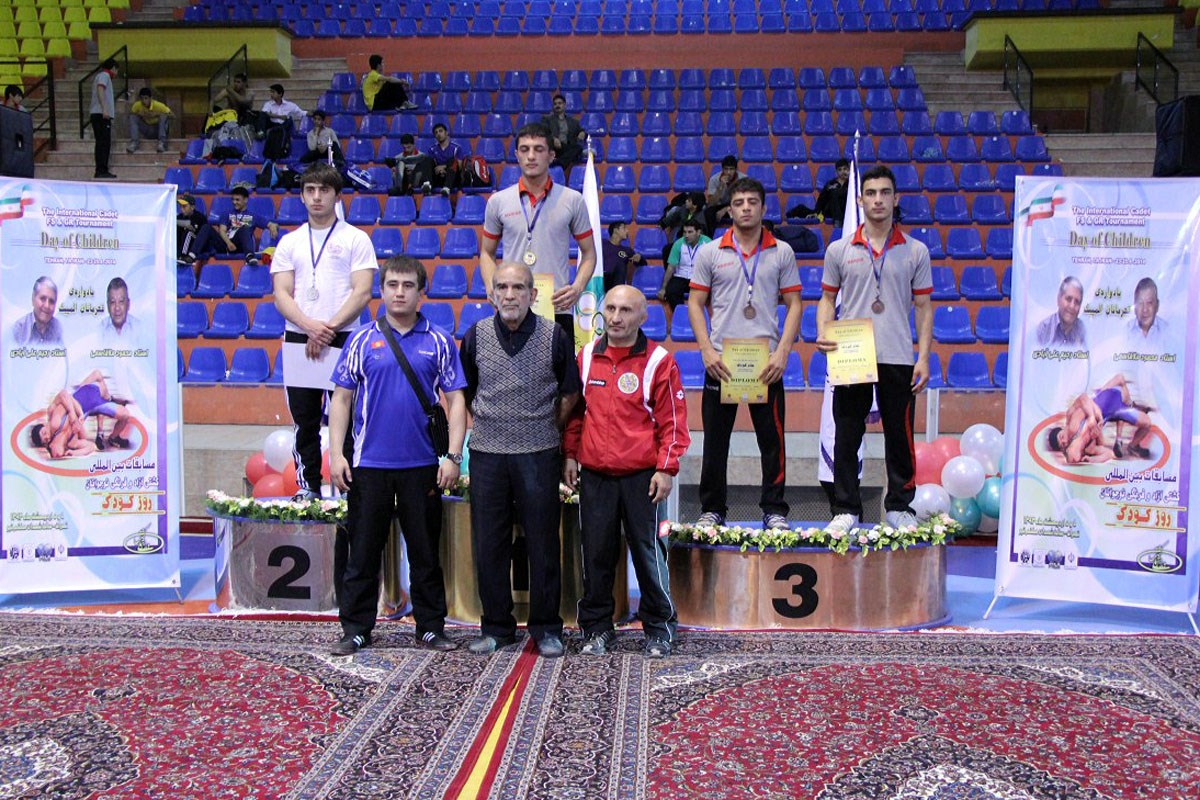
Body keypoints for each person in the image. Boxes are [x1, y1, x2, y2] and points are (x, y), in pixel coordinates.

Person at [327, 256, 466, 656]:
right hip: (368, 466)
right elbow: (341, 399)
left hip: (422, 467)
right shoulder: (360, 340)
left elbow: (456, 400)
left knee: (425, 553)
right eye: (392, 285)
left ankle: (430, 627)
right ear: (382, 290)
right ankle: (356, 628)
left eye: (408, 286)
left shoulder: (439, 340)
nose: (400, 292)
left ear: (422, 292)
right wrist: (336, 454)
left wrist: (453, 456)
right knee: (362, 552)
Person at [460, 261, 582, 658]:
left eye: (518, 287)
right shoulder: (475, 335)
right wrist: (494, 423)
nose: (510, 295)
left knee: (543, 543)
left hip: (539, 453)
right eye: (502, 287)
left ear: (533, 294)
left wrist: (544, 427)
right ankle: (497, 628)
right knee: (489, 543)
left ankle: (546, 629)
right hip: (487, 455)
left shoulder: (554, 335)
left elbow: (570, 393)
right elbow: (466, 392)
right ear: (492, 293)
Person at [563, 285, 690, 659]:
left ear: (643, 316)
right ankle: (597, 629)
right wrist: (570, 455)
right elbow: (575, 414)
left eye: (626, 310)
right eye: (611, 309)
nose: (616, 318)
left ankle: (659, 629)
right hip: (595, 477)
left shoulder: (659, 361)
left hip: (643, 477)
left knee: (649, 556)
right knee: (595, 555)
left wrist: (666, 469)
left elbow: (673, 422)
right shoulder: (586, 357)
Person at [817, 164, 933, 535]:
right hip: (852, 354)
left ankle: (899, 506)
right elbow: (827, 298)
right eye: (871, 193)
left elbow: (924, 307)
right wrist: (822, 331)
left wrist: (924, 357)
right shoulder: (839, 249)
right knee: (847, 434)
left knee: (900, 436)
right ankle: (846, 508)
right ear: (860, 200)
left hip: (898, 355)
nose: (878, 199)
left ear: (896, 199)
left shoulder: (915, 250)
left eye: (885, 193)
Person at [688, 177, 802, 530]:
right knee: (715, 441)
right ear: (730, 210)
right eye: (739, 203)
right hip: (721, 361)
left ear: (763, 208)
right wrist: (706, 350)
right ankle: (712, 509)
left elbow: (795, 304)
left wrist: (783, 352)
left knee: (772, 441)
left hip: (766, 362)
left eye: (753, 202)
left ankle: (774, 510)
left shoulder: (782, 251)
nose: (746, 208)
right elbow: (695, 302)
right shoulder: (710, 252)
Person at [269, 163, 376, 502]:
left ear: (337, 195)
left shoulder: (355, 238)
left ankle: (351, 489)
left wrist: (327, 328)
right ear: (302, 196)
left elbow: (363, 291)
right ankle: (308, 486)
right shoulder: (290, 242)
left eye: (324, 190)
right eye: (310, 190)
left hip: (344, 337)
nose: (317, 197)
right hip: (299, 338)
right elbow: (281, 294)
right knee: (305, 420)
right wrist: (310, 327)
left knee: (349, 419)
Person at [480, 122, 596, 341]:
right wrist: (491, 287)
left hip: (557, 306)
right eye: (525, 149)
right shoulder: (498, 201)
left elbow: (589, 253)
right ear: (517, 155)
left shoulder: (573, 200)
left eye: (538, 149)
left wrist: (577, 287)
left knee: (558, 365)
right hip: (512, 305)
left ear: (551, 155)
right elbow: (486, 252)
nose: (531, 156)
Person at [1047, 375, 1155, 465]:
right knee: (1145, 421)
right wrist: (1093, 459)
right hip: (1113, 410)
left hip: (1111, 401)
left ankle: (1131, 445)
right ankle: (1128, 443)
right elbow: (1109, 454)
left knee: (1146, 422)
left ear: (1062, 430)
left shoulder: (1071, 416)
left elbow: (1083, 398)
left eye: (1061, 437)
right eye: (1063, 445)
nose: (1064, 441)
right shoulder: (1087, 447)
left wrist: (1092, 416)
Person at [29, 369, 133, 459]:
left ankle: (109, 435)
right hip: (90, 404)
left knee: (99, 380)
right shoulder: (71, 442)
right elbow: (91, 446)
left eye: (44, 433)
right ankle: (106, 433)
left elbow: (64, 394)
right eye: (45, 440)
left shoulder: (53, 416)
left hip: (88, 397)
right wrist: (74, 453)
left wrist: (74, 415)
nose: (47, 436)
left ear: (44, 425)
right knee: (123, 413)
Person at [196, 186, 278, 259]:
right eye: (233, 199)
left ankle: (249, 256)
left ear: (245, 200)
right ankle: (192, 255)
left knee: (244, 228)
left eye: (237, 200)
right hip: (225, 243)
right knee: (206, 227)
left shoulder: (253, 216)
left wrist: (272, 226)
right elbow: (222, 230)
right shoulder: (226, 214)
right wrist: (229, 243)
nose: (234, 202)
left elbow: (271, 224)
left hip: (239, 245)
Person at [659, 220, 710, 310]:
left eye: (690, 232)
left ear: (698, 232)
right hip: (681, 276)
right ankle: (680, 313)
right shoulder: (678, 244)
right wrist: (663, 288)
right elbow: (670, 268)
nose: (686, 235)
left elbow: (714, 265)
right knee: (671, 292)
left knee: (707, 292)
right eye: (685, 232)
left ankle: (698, 314)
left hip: (699, 277)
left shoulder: (708, 243)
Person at [538, 93, 586, 182]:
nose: (557, 106)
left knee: (578, 148)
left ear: (564, 105)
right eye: (555, 104)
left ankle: (559, 163)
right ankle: (560, 162)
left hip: (566, 148)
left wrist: (582, 133)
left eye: (559, 103)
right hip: (553, 147)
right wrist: (553, 139)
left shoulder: (573, 121)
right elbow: (543, 132)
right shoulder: (547, 119)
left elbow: (582, 131)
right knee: (576, 152)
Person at [787, 158, 851, 223]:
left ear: (849, 170)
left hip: (846, 210)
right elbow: (821, 200)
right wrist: (817, 212)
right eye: (840, 170)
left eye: (845, 169)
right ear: (836, 172)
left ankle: (838, 221)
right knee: (801, 208)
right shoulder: (830, 184)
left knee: (836, 194)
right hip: (830, 210)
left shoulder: (852, 184)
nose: (842, 172)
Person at [1035, 276, 1087, 348]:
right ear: (1058, 299)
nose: (1072, 306)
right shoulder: (1043, 329)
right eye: (1068, 299)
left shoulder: (1082, 330)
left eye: (1077, 302)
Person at [12, 276, 63, 346]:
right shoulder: (19, 328)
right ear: (33, 299)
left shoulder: (57, 327)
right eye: (43, 299)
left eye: (51, 301)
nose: (47, 306)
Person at [704, 155, 747, 233]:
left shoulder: (743, 179)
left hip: (737, 206)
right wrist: (720, 187)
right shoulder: (714, 179)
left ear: (736, 170)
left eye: (731, 169)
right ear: (722, 169)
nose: (728, 172)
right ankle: (710, 236)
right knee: (708, 212)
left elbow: (744, 200)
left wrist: (727, 209)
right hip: (720, 205)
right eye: (726, 169)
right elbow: (711, 203)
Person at [600, 222, 645, 294]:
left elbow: (643, 263)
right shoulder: (602, 243)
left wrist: (639, 257)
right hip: (601, 283)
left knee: (620, 266)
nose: (627, 231)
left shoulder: (627, 250)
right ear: (615, 230)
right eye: (624, 228)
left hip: (617, 287)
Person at [91, 59, 117, 180]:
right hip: (101, 115)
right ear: (113, 68)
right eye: (116, 70)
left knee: (102, 142)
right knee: (103, 143)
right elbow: (100, 89)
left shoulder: (101, 76)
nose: (116, 73)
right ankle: (101, 170)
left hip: (98, 114)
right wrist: (105, 109)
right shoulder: (105, 75)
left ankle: (101, 169)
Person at [1126, 277, 1168, 351]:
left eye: (1149, 303)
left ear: (1157, 305)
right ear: (1134, 307)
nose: (1145, 309)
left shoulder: (1167, 330)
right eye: (1140, 303)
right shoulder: (1125, 331)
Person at [126, 88, 173, 154]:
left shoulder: (158, 105)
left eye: (146, 98)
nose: (143, 101)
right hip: (147, 129)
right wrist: (139, 114)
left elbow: (173, 115)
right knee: (133, 117)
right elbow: (129, 115)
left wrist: (157, 114)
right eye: (142, 98)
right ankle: (134, 143)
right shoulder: (137, 105)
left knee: (164, 116)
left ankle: (162, 143)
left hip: (158, 130)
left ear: (151, 98)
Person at [99, 277, 141, 346]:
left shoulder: (140, 328)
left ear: (128, 304)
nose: (117, 308)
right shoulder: (100, 330)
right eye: (113, 302)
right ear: (108, 305)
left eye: (121, 301)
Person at [427, 122, 464, 196]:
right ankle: (427, 184)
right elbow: (431, 166)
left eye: (440, 131)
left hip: (453, 178)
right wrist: (440, 170)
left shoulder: (456, 148)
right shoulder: (432, 149)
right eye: (436, 133)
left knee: (453, 160)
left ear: (446, 133)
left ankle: (447, 188)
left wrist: (444, 167)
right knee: (427, 160)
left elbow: (459, 166)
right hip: (439, 176)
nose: (438, 134)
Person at [176, 194, 211, 267]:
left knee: (188, 232)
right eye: (181, 206)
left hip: (198, 246)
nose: (182, 209)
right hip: (184, 245)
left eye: (184, 206)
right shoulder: (179, 217)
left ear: (192, 207)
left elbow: (189, 224)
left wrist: (175, 222)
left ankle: (184, 256)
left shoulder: (200, 217)